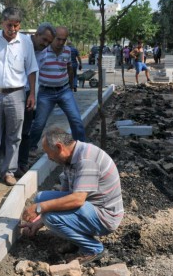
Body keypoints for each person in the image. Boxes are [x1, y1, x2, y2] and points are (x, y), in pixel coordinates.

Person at [20, 126, 124, 265]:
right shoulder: (71, 158)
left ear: (59, 147)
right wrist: (38, 222)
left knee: (49, 216)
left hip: (105, 216)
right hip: (91, 207)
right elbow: (64, 196)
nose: (48, 157)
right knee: (41, 198)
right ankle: (76, 239)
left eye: (48, 152)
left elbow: (77, 200)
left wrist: (40, 209)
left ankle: (93, 249)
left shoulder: (86, 160)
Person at [0, 7, 39, 187]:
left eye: (16, 25)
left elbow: (32, 69)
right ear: (2, 23)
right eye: (9, 25)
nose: (12, 29)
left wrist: (32, 93)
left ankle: (9, 172)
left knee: (14, 136)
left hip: (17, 94)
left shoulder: (25, 42)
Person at [29, 26, 86, 156]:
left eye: (64, 40)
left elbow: (69, 68)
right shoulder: (42, 53)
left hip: (64, 90)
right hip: (46, 93)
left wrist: (71, 87)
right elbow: (33, 71)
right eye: (58, 39)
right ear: (52, 38)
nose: (61, 43)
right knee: (39, 123)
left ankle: (81, 147)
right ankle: (31, 147)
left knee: (76, 119)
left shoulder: (67, 51)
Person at [16, 22, 56, 178]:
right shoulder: (20, 43)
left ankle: (22, 163)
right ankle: (8, 164)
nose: (45, 44)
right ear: (36, 35)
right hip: (13, 91)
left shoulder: (44, 52)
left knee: (25, 131)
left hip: (29, 94)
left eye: (48, 42)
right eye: (44, 40)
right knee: (11, 132)